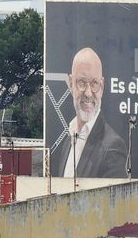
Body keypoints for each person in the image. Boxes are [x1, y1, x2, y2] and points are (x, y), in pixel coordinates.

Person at [52, 47, 128, 178]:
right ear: (71, 83)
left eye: (94, 83)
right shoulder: (69, 138)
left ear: (102, 86)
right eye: (81, 82)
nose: (88, 93)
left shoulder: (113, 147)